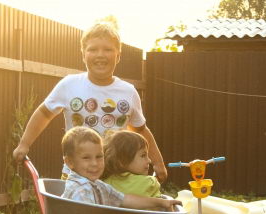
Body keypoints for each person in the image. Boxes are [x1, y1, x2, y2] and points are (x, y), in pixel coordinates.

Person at [12, 21, 168, 183]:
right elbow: (44, 113)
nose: (100, 54)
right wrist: (24, 144)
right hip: (76, 174)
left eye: (108, 49)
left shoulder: (128, 92)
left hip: (115, 175)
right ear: (83, 55)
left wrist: (158, 163)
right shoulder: (69, 85)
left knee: (112, 208)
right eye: (93, 49)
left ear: (118, 56)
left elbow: (140, 130)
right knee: (76, 208)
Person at [61, 127, 178, 210]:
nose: (95, 163)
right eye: (86, 158)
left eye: (99, 156)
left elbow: (125, 199)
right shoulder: (80, 190)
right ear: (69, 162)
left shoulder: (97, 185)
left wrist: (162, 202)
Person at [102, 131, 161, 198]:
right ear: (122, 161)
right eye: (143, 155)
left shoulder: (104, 183)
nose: (149, 161)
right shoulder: (150, 183)